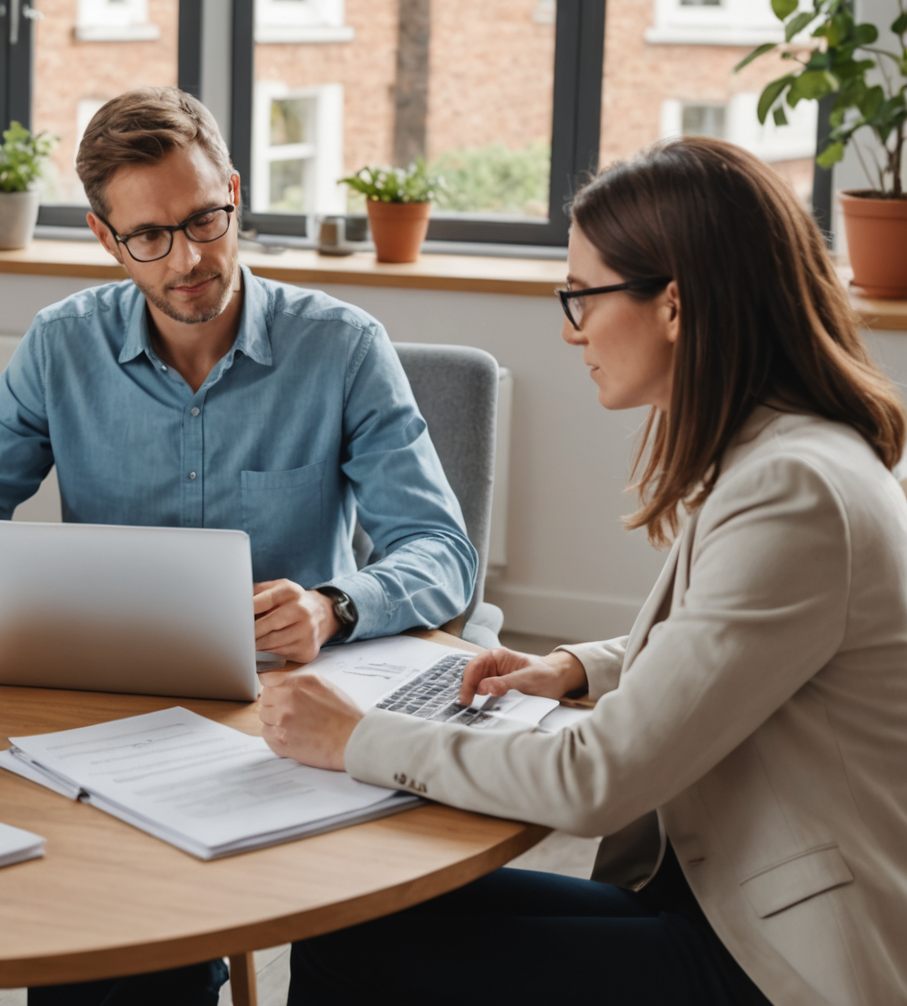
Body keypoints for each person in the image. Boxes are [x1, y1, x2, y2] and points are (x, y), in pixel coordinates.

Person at [261, 137, 907, 1006]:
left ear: (673, 304)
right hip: (722, 895)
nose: (571, 331)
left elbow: (597, 781)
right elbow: (733, 642)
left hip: (778, 962)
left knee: (354, 939)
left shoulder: (793, 488)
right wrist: (572, 669)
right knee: (355, 913)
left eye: (583, 296)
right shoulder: (788, 452)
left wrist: (355, 739)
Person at [0, 86, 477, 659]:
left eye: (202, 220)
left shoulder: (345, 349)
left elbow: (441, 550)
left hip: (290, 684)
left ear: (234, 193)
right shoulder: (59, 345)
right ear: (107, 240)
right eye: (147, 236)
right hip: (109, 670)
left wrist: (333, 608)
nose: (186, 259)